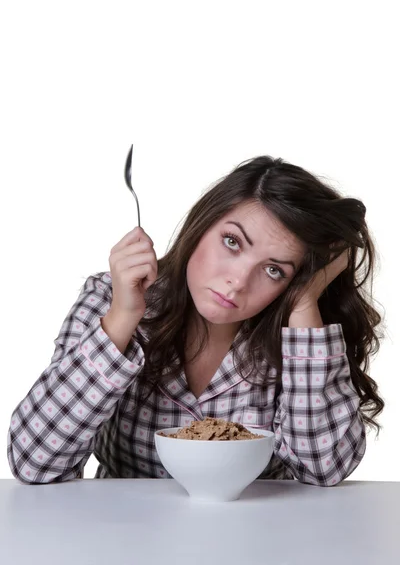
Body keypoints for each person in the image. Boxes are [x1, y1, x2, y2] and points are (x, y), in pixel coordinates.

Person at [7, 155, 384, 485]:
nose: (237, 282)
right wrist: (122, 319)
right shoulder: (110, 300)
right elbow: (34, 462)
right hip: (125, 540)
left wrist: (304, 300)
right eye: (233, 242)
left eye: (273, 270)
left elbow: (323, 470)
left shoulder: (298, 332)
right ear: (202, 224)